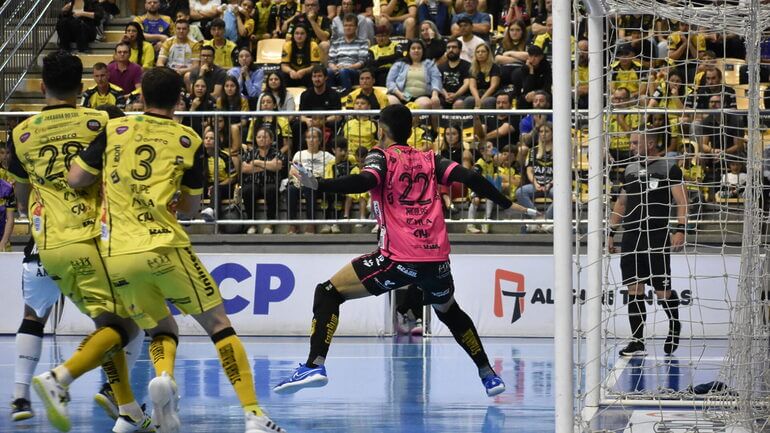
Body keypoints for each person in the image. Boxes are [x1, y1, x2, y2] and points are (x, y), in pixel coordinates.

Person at [68, 66, 286, 433]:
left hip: (117, 253)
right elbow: (189, 207)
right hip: (165, 246)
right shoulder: (189, 139)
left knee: (160, 329)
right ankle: (253, 414)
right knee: (219, 326)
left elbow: (77, 178)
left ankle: (164, 379)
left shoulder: (114, 129)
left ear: (140, 96)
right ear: (180, 99)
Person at [273, 104, 538, 397]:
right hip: (437, 259)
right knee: (449, 311)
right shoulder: (429, 158)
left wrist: (318, 184)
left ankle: (314, 364)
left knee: (327, 292)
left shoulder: (380, 156)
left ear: (382, 130)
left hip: (397, 258)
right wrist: (506, 205)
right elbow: (472, 178)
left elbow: (365, 181)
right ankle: (488, 375)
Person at [8, 50, 149, 432]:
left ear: (41, 87)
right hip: (96, 241)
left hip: (45, 243)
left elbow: (21, 198)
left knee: (32, 316)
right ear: (84, 86)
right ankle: (85, 384)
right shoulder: (103, 118)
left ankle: (20, 396)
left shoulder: (20, 133)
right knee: (127, 320)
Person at [608, 130, 687, 357]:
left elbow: (681, 201)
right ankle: (637, 341)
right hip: (632, 236)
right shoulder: (630, 169)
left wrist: (680, 229)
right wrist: (611, 232)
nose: (631, 146)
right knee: (634, 288)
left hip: (656, 236)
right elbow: (621, 204)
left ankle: (674, 324)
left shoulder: (669, 167)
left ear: (650, 143)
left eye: (635, 143)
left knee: (662, 291)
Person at [287, 127, 335, 234]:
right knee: (291, 190)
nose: (311, 140)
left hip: (318, 184)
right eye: (308, 137)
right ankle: (293, 225)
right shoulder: (299, 154)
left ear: (319, 140)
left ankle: (311, 224)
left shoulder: (327, 156)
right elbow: (292, 171)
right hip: (300, 181)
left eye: (314, 137)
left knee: (310, 186)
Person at [241, 127, 285, 234]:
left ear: (271, 140)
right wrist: (268, 165)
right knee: (248, 190)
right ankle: (252, 223)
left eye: (265, 137)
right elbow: (245, 169)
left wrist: (256, 162)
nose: (261, 139)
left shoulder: (276, 152)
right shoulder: (250, 153)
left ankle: (270, 224)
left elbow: (277, 166)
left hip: (270, 182)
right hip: (253, 183)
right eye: (259, 137)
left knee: (271, 190)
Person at [385, 39, 442, 109]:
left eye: (419, 48)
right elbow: (390, 81)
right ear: (408, 51)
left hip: (422, 97)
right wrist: (399, 94)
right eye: (413, 48)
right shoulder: (399, 64)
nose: (416, 50)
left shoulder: (430, 64)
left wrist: (435, 95)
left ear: (423, 51)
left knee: (425, 103)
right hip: (400, 95)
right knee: (389, 100)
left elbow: (436, 80)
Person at [326, 13, 370, 95]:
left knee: (344, 72)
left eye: (351, 25)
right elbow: (331, 61)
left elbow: (362, 62)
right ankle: (330, 96)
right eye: (345, 25)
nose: (348, 28)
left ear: (356, 27)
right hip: (338, 69)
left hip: (354, 71)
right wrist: (334, 68)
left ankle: (345, 96)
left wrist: (348, 67)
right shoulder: (336, 42)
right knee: (328, 71)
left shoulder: (363, 42)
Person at [438, 38, 471, 109]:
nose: (451, 50)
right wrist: (446, 95)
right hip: (444, 95)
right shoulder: (440, 67)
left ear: (460, 50)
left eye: (454, 47)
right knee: (436, 103)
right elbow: (438, 84)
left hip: (461, 96)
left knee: (458, 104)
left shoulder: (467, 66)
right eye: (448, 47)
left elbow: (467, 84)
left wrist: (455, 95)